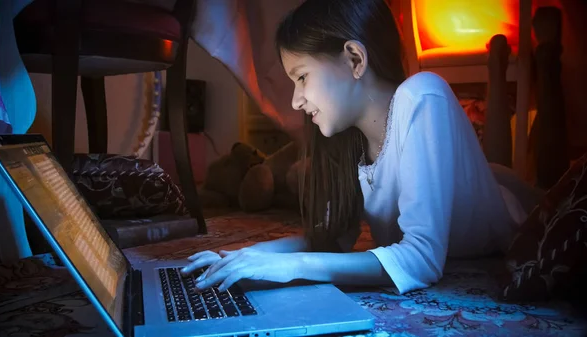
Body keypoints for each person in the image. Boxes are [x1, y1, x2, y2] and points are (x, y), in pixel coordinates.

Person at [181, 0, 536, 294]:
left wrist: (289, 266)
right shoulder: (348, 141)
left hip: (514, 207)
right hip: (476, 184)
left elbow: (422, 260)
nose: (295, 102)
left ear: (354, 59)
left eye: (301, 77)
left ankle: (497, 67)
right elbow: (331, 240)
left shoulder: (423, 95)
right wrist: (243, 255)